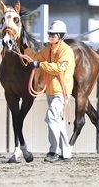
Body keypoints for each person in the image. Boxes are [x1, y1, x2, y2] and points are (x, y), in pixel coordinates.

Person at [25, 20, 75, 162]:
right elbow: (36, 57)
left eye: (53, 35)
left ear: (60, 35)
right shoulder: (48, 49)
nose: (50, 37)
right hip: (50, 91)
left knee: (52, 118)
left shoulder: (66, 51)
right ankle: (66, 154)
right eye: (49, 34)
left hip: (61, 91)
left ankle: (53, 151)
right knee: (57, 122)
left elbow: (59, 68)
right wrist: (24, 49)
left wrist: (41, 64)